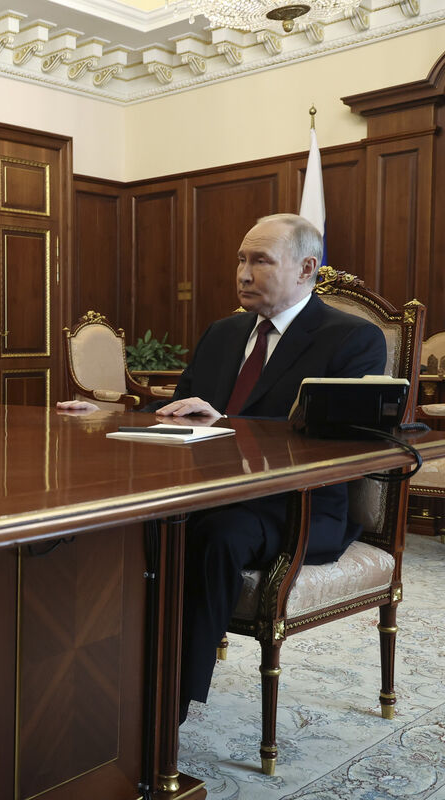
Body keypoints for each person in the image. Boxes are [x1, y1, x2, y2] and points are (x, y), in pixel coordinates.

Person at [57, 212, 387, 722]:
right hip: (212, 489)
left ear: (306, 269)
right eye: (240, 260)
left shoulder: (352, 338)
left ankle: (169, 703)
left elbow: (336, 439)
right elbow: (183, 408)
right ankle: (108, 670)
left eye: (260, 261)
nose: (243, 274)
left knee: (217, 535)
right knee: (130, 522)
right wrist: (107, 417)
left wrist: (228, 423)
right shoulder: (223, 332)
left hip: (299, 505)